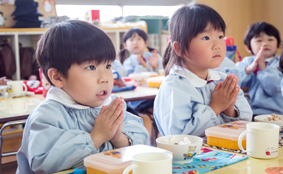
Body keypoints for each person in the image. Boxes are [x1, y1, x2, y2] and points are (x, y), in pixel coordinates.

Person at [16, 20, 149, 173]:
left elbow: (141, 139)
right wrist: (96, 137)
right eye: (91, 67)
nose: (105, 77)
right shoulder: (48, 114)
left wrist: (118, 137)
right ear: (58, 77)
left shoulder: (110, 104)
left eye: (108, 66)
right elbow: (44, 163)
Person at [154, 4, 252, 137]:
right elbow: (178, 137)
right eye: (206, 38)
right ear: (180, 48)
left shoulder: (223, 80)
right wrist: (215, 108)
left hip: (227, 155)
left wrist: (230, 110)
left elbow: (246, 123)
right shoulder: (173, 87)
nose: (217, 45)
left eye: (220, 36)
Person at [236, 22, 283, 116]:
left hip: (275, 114)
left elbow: (274, 88)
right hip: (251, 113)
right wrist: (249, 69)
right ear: (248, 47)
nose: (265, 43)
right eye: (259, 40)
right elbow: (234, 81)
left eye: (270, 39)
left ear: (278, 44)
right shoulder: (247, 62)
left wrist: (263, 68)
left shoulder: (280, 62)